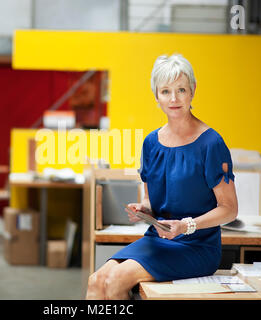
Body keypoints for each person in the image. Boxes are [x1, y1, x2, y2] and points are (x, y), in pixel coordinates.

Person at [86, 53, 238, 300]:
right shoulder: (150, 143)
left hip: (196, 246)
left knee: (116, 280)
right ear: (156, 95)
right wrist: (143, 210)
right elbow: (150, 201)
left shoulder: (211, 143)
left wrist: (186, 225)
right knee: (96, 281)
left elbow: (229, 209)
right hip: (157, 240)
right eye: (166, 91)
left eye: (181, 89)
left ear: (193, 90)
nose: (174, 98)